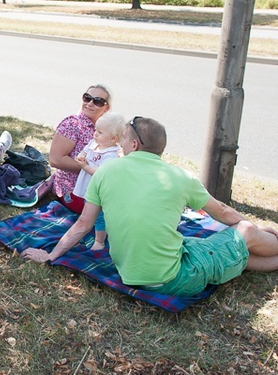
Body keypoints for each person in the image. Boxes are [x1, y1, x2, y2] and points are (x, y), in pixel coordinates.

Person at [21, 117, 278, 297]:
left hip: (131, 273)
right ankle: (265, 237)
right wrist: (249, 228)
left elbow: (82, 224)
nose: (120, 144)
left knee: (233, 248)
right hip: (175, 278)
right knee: (246, 229)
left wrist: (51, 255)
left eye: (123, 140)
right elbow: (224, 213)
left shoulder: (105, 172)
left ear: (134, 145)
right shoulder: (180, 177)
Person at [65, 112, 125, 250]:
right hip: (88, 184)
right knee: (87, 210)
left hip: (99, 190)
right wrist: (81, 157)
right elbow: (85, 151)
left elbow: (101, 173)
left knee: (99, 216)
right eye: (96, 130)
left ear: (113, 138)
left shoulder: (111, 154)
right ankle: (84, 231)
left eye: (100, 132)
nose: (95, 134)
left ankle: (99, 241)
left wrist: (85, 166)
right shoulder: (94, 143)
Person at [49, 85, 111, 199]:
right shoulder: (72, 124)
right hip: (73, 189)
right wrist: (90, 169)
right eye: (87, 98)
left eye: (98, 101)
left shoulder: (106, 128)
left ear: (106, 108)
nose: (90, 103)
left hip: (96, 187)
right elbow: (55, 160)